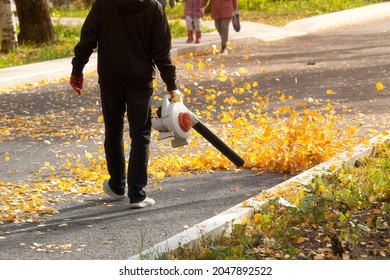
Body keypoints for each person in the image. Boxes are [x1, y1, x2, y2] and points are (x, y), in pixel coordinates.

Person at [69, 0, 182, 209]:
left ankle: (117, 186)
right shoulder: (153, 8)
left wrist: (77, 70)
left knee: (113, 130)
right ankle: (137, 194)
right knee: (140, 134)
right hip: (140, 80)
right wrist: (171, 83)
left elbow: (88, 37)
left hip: (111, 79)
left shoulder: (104, 4)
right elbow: (161, 50)